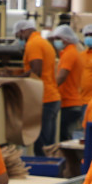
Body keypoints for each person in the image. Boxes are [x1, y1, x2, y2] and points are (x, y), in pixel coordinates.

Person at [16, 17, 61, 147]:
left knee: (42, 145)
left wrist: (17, 79)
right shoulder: (42, 42)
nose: (19, 39)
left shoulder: (33, 44)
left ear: (23, 31)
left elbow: (36, 71)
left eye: (18, 36)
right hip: (51, 97)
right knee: (49, 145)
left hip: (43, 99)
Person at [52, 25, 88, 140]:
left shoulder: (70, 53)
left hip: (69, 103)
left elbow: (62, 76)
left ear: (66, 39)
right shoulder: (71, 53)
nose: (55, 41)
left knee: (64, 137)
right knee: (65, 135)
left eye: (58, 38)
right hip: (72, 102)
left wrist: (51, 89)